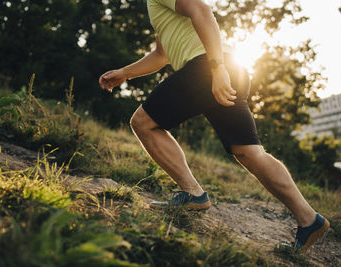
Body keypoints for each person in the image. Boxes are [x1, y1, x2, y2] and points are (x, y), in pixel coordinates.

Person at [99, 0, 329, 253]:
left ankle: (193, 193)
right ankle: (310, 219)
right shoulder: (156, 7)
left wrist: (216, 69)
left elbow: (202, 11)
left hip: (206, 66)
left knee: (143, 123)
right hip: (227, 66)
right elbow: (161, 55)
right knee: (249, 152)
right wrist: (125, 73)